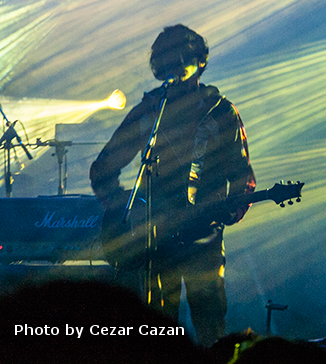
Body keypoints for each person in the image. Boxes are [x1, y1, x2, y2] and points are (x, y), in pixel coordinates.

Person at [89, 24, 256, 347]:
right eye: (168, 61)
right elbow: (103, 167)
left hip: (203, 238)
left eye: (184, 59)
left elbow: (242, 177)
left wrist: (225, 211)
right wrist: (125, 206)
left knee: (210, 328)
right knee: (157, 331)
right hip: (155, 239)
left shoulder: (220, 112)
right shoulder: (150, 111)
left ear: (200, 62)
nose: (176, 67)